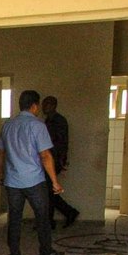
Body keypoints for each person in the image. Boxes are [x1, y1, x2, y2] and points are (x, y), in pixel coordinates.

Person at [0, 90, 65, 255]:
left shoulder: (7, 125)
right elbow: (45, 155)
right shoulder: (37, 125)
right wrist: (55, 182)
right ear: (34, 106)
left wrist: (0, 174)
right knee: (42, 217)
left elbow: (0, 153)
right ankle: (45, 253)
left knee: (14, 219)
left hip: (12, 181)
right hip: (35, 180)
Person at [41, 96, 80, 228]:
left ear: (53, 105)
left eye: (47, 104)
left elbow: (63, 142)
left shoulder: (59, 121)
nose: (44, 106)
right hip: (48, 159)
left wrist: (62, 160)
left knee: (49, 192)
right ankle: (62, 215)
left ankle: (65, 214)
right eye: (43, 104)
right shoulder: (48, 121)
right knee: (48, 192)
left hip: (53, 159)